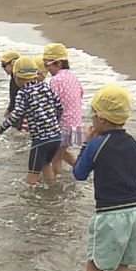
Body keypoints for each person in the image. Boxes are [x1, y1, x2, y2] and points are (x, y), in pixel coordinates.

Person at [72, 85, 136, 271]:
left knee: (95, 265)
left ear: (101, 118)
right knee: (124, 264)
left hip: (110, 214)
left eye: (93, 115)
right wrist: (135, 198)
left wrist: (86, 144)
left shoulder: (96, 146)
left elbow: (79, 174)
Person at [0, 55, 64, 186]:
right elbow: (59, 106)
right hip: (56, 136)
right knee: (46, 164)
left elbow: (16, 114)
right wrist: (54, 122)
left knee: (32, 175)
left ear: (17, 78)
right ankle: (54, 191)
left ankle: (30, 202)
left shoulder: (23, 93)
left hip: (41, 140)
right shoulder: (45, 87)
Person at [42, 43, 82, 175]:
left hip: (63, 126)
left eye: (47, 65)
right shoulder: (72, 76)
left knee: (55, 159)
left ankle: (57, 187)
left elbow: (50, 103)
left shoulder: (56, 80)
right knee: (63, 153)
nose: (46, 69)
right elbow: (81, 93)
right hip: (75, 125)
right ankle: (83, 171)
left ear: (58, 63)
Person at [0, 49, 21, 124]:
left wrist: (8, 111)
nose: (3, 67)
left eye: (4, 65)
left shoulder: (17, 80)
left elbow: (14, 100)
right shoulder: (15, 77)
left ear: (13, 63)